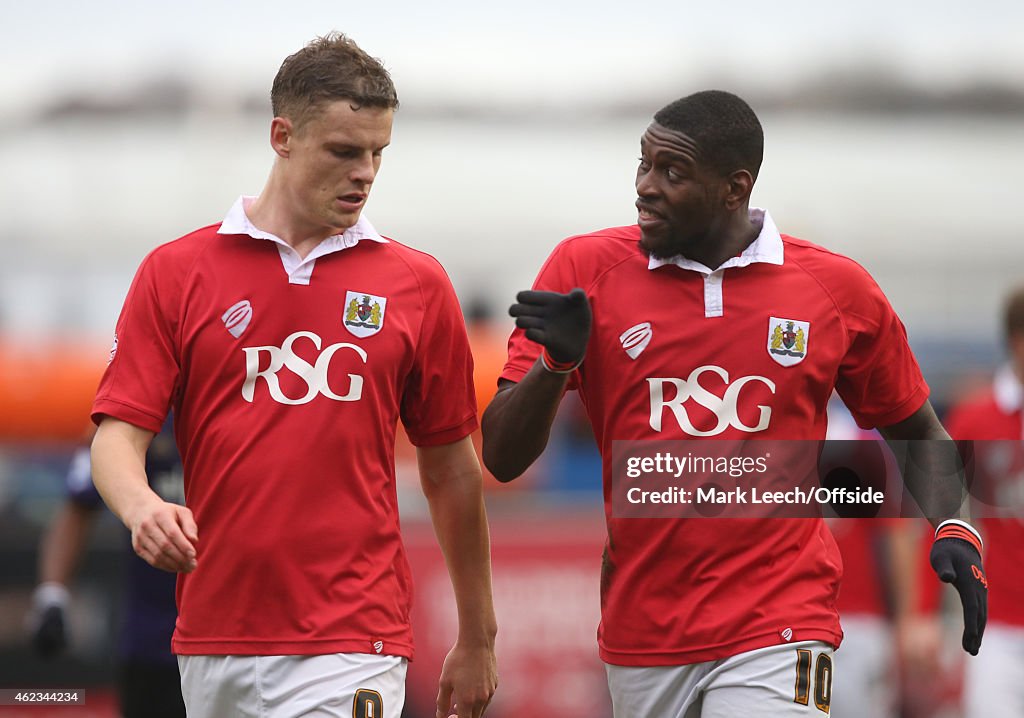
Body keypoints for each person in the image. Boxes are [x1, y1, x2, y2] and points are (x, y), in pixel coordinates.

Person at [481, 90, 986, 717]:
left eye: (672, 172)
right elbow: (501, 457)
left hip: (783, 621)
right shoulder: (584, 268)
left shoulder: (835, 289)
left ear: (734, 187)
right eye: (643, 165)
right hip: (645, 632)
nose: (645, 187)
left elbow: (918, 428)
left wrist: (957, 526)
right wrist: (557, 365)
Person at [89, 33, 497, 718]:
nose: (365, 172)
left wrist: (478, 634)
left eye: (377, 154)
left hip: (353, 638)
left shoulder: (417, 284)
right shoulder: (177, 272)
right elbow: (115, 437)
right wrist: (142, 509)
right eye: (344, 151)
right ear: (282, 136)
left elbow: (452, 469)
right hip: (212, 638)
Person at [28, 422, 185, 718]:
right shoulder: (134, 415)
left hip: (234, 637)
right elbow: (77, 505)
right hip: (151, 641)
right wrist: (52, 595)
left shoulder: (248, 406)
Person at [943, 286, 1024, 718]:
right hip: (997, 628)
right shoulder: (975, 419)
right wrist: (920, 613)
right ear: (1018, 340)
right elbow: (941, 518)